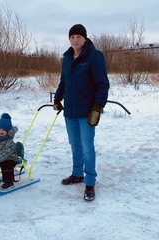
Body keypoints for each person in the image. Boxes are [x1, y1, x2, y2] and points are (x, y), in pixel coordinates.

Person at [53, 24, 110, 201]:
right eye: (72, 37)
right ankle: (77, 174)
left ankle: (90, 182)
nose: (75, 40)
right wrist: (57, 98)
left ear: (85, 38)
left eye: (78, 36)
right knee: (75, 145)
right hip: (70, 111)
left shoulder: (94, 56)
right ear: (69, 39)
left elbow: (102, 84)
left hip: (87, 112)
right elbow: (64, 82)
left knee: (87, 147)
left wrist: (98, 106)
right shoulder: (67, 58)